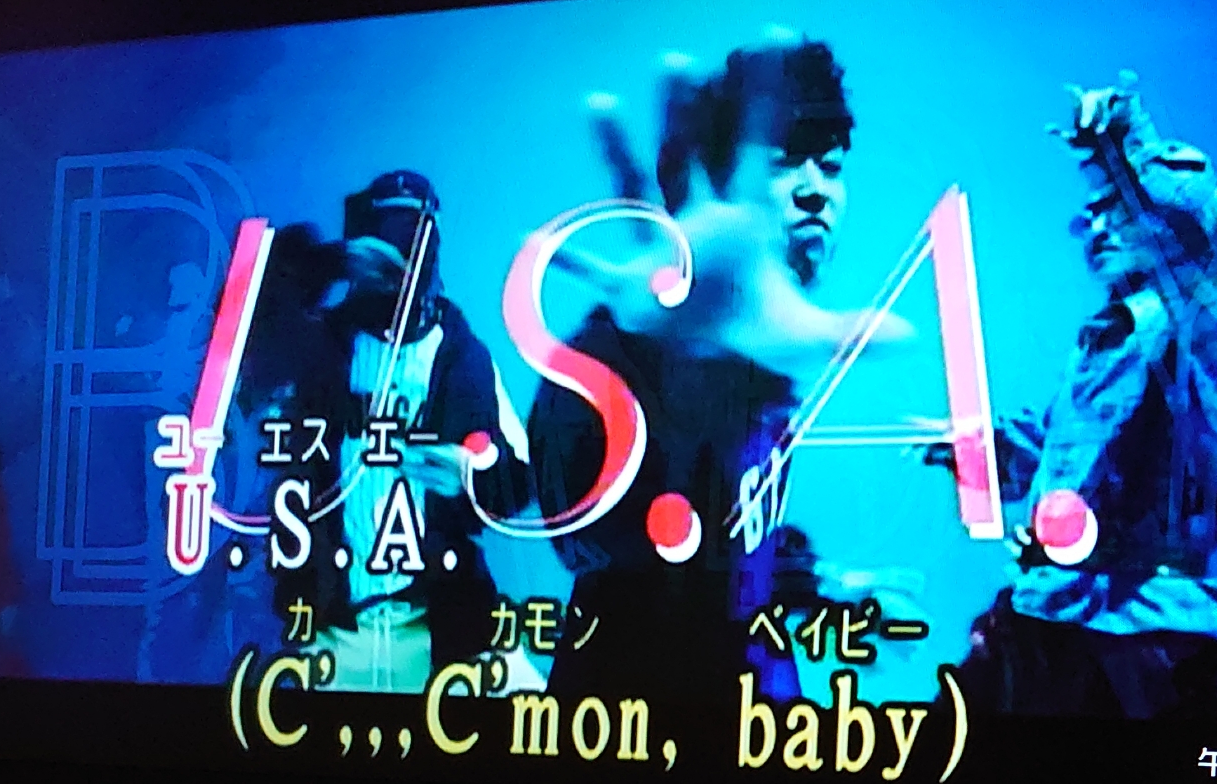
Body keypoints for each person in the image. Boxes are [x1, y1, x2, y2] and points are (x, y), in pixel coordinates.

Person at [529, 37, 861, 701]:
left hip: (763, 716)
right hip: (632, 726)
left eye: (830, 167)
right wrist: (674, 361)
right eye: (783, 163)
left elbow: (731, 531)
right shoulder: (615, 352)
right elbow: (585, 536)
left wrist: (810, 582)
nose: (815, 191)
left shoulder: (767, 360)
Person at [957, 74, 1217, 721]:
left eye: (1116, 209)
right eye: (1089, 215)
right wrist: (972, 448)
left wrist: (1127, 138)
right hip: (1053, 617)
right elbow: (1057, 456)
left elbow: (1200, 223)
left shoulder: (1214, 311)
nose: (1096, 228)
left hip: (1143, 637)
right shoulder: (1109, 339)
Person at [248, 169, 529, 691]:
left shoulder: (462, 354)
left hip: (441, 625)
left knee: (533, 703)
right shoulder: (322, 346)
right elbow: (242, 320)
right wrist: (327, 264)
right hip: (333, 631)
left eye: (414, 236)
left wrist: (474, 476)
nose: (402, 258)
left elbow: (519, 481)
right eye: (388, 235)